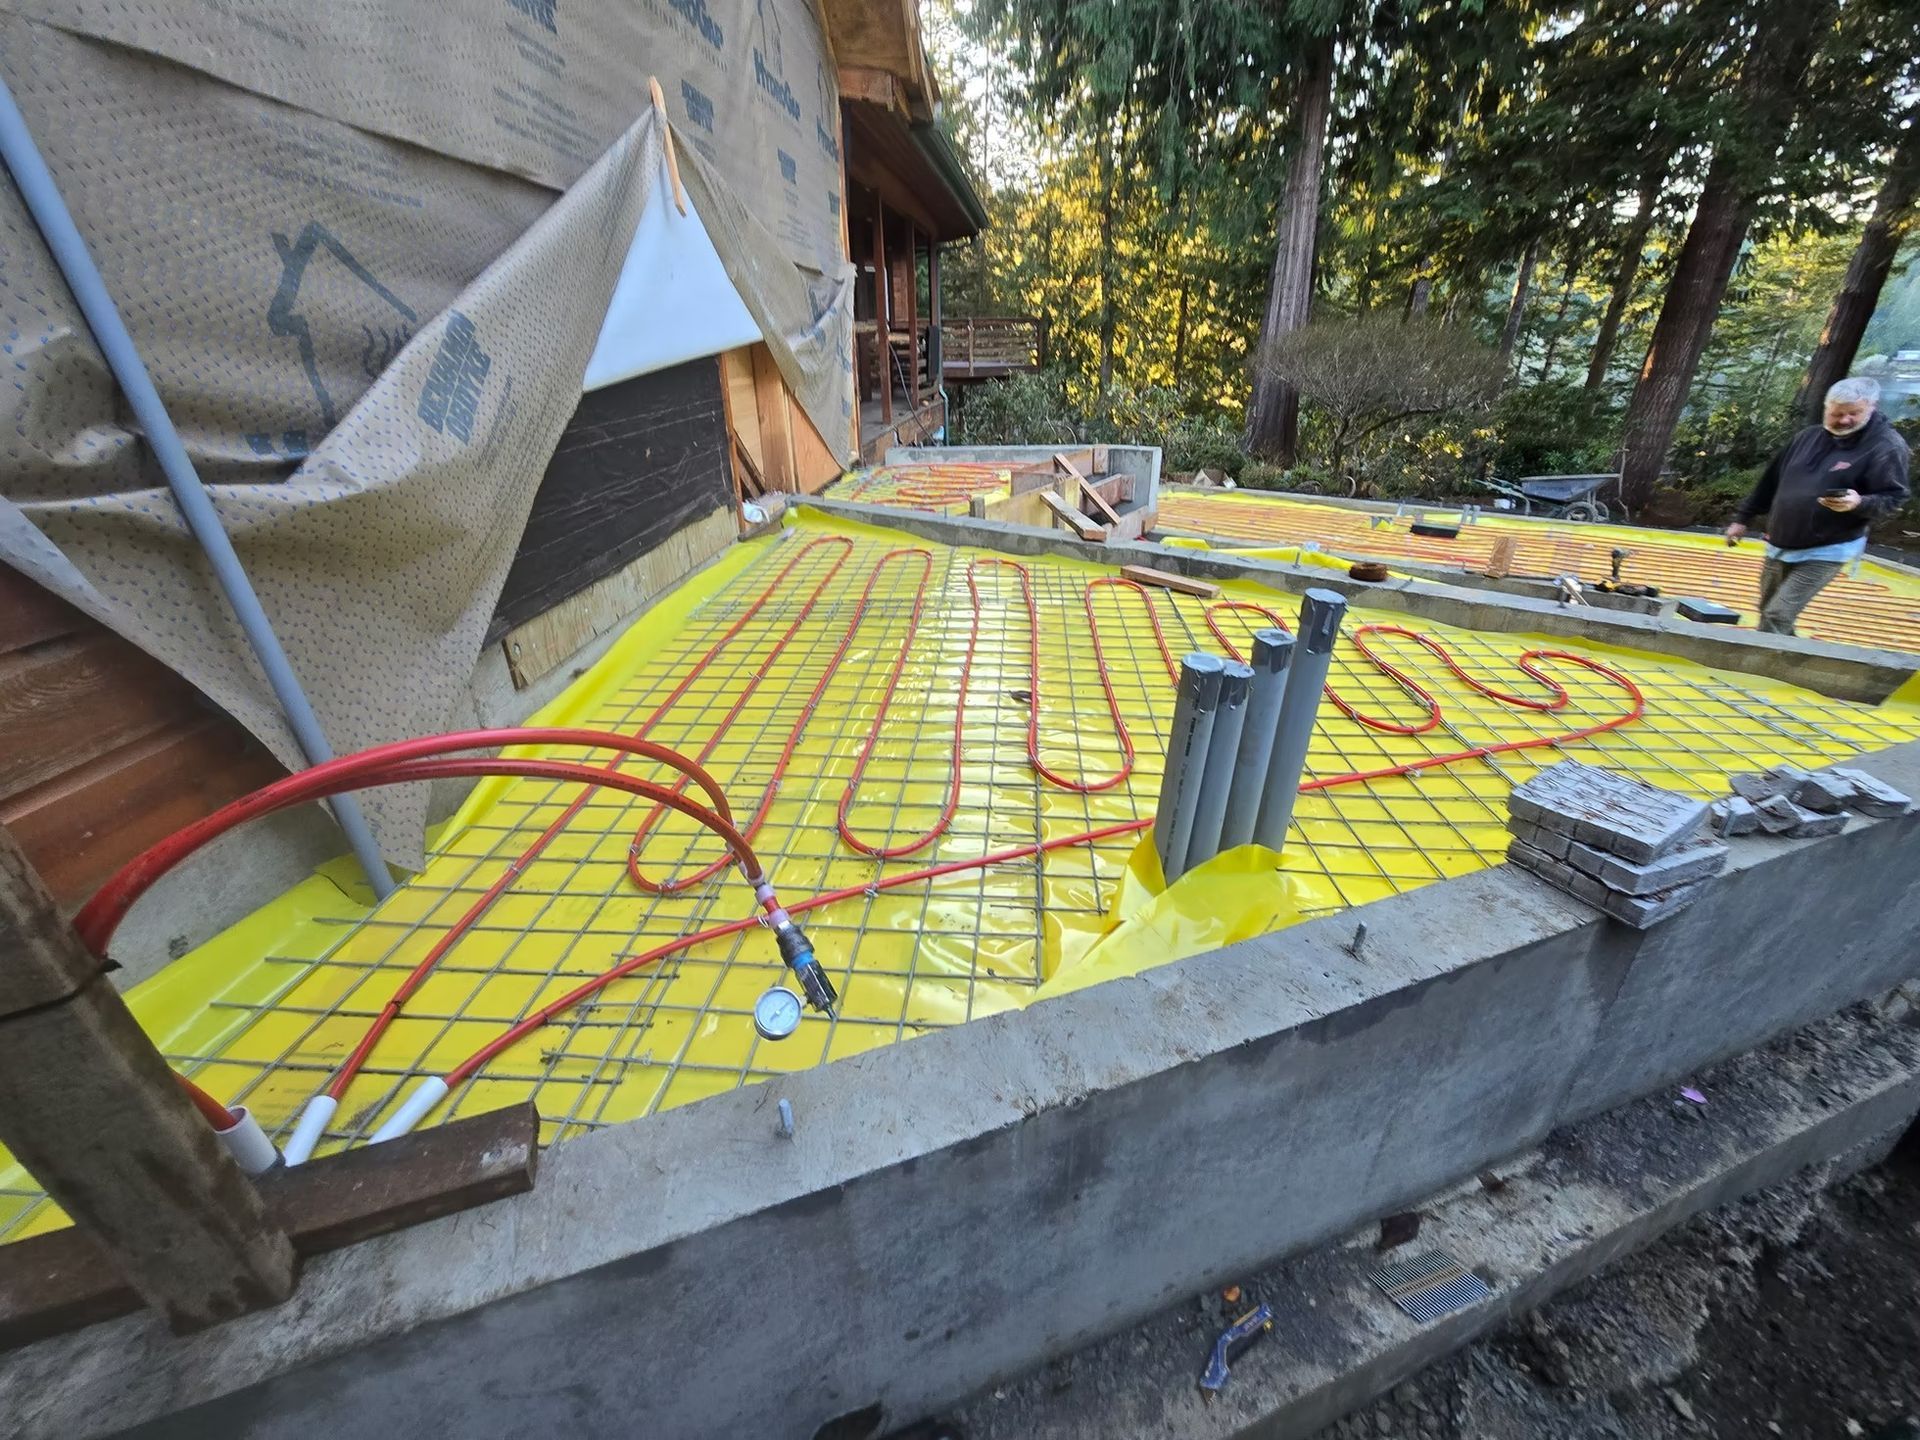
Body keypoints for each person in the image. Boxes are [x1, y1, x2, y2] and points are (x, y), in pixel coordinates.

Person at [1725, 377, 1912, 636]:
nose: (1844, 420)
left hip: (1828, 548)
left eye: (1853, 414)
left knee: (1778, 614)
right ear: (1827, 408)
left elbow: (1894, 497)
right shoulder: (1806, 438)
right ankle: (1788, 659)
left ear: (1872, 406)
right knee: (1768, 610)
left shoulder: (1886, 446)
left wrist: (1860, 503)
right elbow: (1769, 482)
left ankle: (1762, 666)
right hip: (1781, 540)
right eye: (1837, 413)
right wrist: (1742, 519)